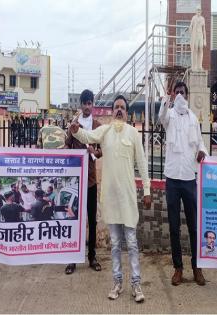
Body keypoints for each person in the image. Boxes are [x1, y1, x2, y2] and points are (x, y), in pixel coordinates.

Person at [69, 94, 151, 303]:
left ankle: (136, 284)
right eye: (116, 107)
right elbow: (88, 136)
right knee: (115, 244)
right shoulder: (104, 131)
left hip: (128, 198)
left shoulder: (133, 134)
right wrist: (77, 131)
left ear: (127, 112)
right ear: (112, 111)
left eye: (123, 107)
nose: (119, 110)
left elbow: (142, 164)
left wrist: (148, 191)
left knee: (131, 243)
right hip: (111, 199)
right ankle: (117, 283)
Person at [159, 80, 208, 286]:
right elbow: (160, 116)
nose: (180, 95)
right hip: (172, 178)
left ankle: (197, 267)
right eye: (177, 92)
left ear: (187, 96)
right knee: (174, 227)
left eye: (182, 92)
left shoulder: (193, 118)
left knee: (194, 226)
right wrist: (166, 99)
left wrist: (202, 151)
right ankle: (178, 268)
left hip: (189, 178)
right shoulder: (168, 115)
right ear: (173, 94)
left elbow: (200, 142)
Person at [64, 89, 103, 275]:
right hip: (75, 181)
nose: (87, 106)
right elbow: (67, 145)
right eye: (84, 103)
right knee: (76, 220)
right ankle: (73, 258)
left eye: (90, 103)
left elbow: (101, 150)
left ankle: (92, 256)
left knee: (92, 220)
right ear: (81, 104)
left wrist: (94, 153)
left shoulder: (97, 125)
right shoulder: (74, 125)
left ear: (92, 104)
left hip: (91, 179)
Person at [188, 6, 206, 71]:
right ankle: (195, 66)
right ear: (196, 11)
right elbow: (191, 26)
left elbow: (204, 30)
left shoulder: (202, 19)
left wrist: (205, 40)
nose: (199, 11)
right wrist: (190, 28)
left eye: (200, 10)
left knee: (200, 49)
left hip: (200, 35)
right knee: (195, 49)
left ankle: (200, 66)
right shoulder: (194, 18)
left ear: (201, 11)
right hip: (195, 35)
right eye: (197, 10)